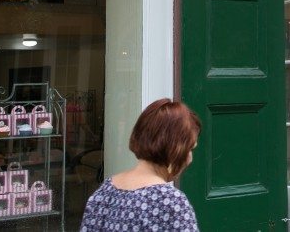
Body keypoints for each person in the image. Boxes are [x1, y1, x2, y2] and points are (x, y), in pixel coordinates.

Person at [81, 98, 201, 231]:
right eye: (190, 149)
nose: (190, 158)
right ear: (175, 148)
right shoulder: (171, 203)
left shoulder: (104, 192)